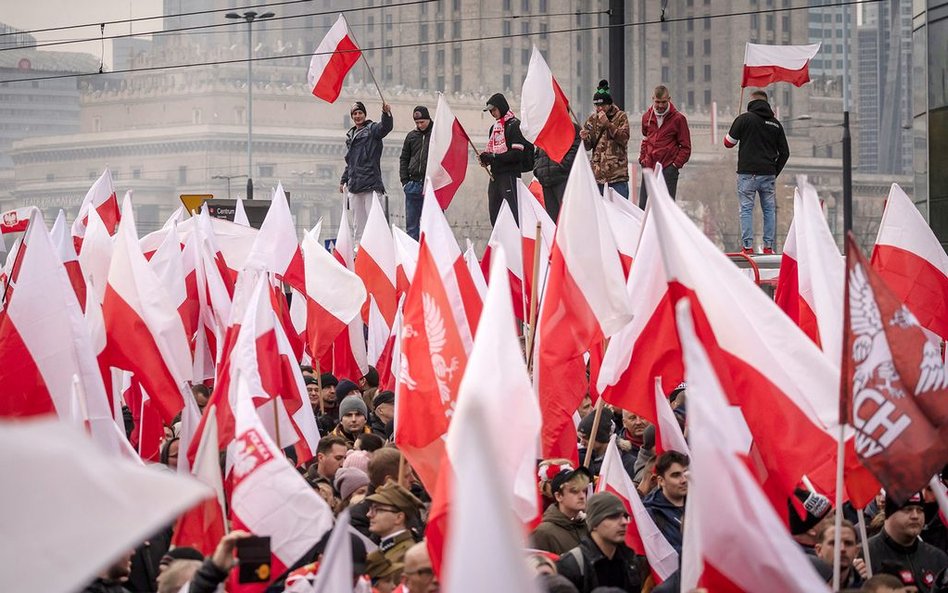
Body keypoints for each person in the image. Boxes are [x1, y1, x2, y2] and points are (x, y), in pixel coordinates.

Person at [724, 89, 790, 255]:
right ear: (767, 103)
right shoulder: (776, 124)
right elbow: (785, 152)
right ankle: (768, 247)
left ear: (751, 102)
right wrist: (774, 171)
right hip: (768, 174)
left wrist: (737, 125)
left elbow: (728, 143)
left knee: (746, 209)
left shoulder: (744, 119)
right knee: (769, 210)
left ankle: (747, 247)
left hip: (747, 173)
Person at [556, 492, 644, 593]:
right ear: (595, 524)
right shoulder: (571, 565)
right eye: (614, 516)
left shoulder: (630, 560)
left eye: (625, 516)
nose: (624, 522)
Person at [866, 492, 948, 592]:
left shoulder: (938, 558)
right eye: (908, 509)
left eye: (920, 510)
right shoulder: (866, 556)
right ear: (889, 513)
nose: (915, 516)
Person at [479, 92, 534, 227]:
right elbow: (492, 151)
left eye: (494, 110)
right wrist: (486, 159)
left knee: (512, 214)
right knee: (495, 214)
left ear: (502, 107)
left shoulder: (515, 126)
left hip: (510, 175)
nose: (493, 113)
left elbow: (516, 154)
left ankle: (516, 242)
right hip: (495, 176)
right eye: (490, 111)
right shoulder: (494, 128)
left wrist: (495, 157)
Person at [340, 100, 393, 239]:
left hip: (370, 185)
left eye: (360, 113)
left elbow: (385, 127)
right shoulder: (350, 137)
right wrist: (344, 180)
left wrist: (386, 113)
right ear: (352, 117)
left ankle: (378, 253)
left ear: (365, 114)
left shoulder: (372, 130)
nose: (358, 116)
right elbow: (350, 162)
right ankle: (360, 254)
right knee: (359, 227)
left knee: (375, 222)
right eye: (355, 114)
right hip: (355, 187)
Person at [638, 85, 691, 208]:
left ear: (669, 99)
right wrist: (642, 160)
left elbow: (686, 147)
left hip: (668, 170)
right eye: (657, 102)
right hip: (649, 169)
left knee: (666, 210)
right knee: (643, 209)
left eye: (663, 102)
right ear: (653, 99)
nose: (660, 106)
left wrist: (674, 166)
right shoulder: (646, 117)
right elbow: (646, 138)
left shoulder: (679, 119)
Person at [580, 80, 631, 199]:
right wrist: (584, 139)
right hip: (598, 176)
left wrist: (608, 124)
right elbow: (589, 146)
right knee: (600, 212)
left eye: (602, 105)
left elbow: (624, 138)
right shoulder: (592, 119)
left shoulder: (621, 116)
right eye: (597, 106)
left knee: (620, 211)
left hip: (617, 174)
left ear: (609, 104)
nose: (599, 108)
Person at [532, 463, 593, 554]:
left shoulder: (589, 525)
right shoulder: (543, 533)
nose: (582, 496)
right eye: (574, 491)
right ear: (559, 496)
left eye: (584, 491)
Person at [364, 480, 425, 566]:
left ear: (399, 517)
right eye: (370, 509)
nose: (369, 514)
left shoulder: (404, 553)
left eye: (378, 510)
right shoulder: (389, 547)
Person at [533, 122, 582, 223]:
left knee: (567, 218)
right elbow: (538, 151)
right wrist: (537, 169)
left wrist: (562, 166)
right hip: (546, 179)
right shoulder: (545, 129)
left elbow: (575, 148)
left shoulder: (571, 128)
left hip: (562, 179)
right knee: (552, 220)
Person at [644, 451, 689, 554]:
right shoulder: (651, 514)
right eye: (676, 475)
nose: (683, 480)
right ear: (661, 481)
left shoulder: (701, 507)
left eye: (686, 473)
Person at [399, 105, 432, 240]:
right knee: (412, 228)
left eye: (422, 122)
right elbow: (404, 158)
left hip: (431, 186)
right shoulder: (411, 136)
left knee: (431, 227)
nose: (419, 125)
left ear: (428, 119)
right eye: (417, 123)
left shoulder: (436, 134)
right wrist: (405, 182)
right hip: (413, 185)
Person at [813, 519, 864, 589]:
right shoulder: (804, 585)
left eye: (848, 543)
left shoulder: (866, 588)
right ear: (819, 550)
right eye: (834, 543)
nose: (842, 549)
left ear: (856, 551)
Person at [577, 408, 614, 477]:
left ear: (599, 436)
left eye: (585, 438)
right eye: (580, 438)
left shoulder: (622, 461)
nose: (582, 442)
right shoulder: (581, 460)